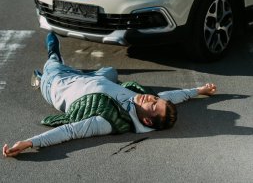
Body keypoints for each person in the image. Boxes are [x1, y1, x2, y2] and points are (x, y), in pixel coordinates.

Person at [2, 33, 216, 158]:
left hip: (59, 83)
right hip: (95, 79)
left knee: (53, 65)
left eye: (152, 105)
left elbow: (69, 131)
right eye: (154, 99)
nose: (150, 98)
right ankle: (62, 72)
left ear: (147, 120)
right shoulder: (140, 99)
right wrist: (198, 91)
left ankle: (45, 69)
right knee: (110, 71)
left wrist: (28, 143)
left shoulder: (106, 122)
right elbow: (168, 95)